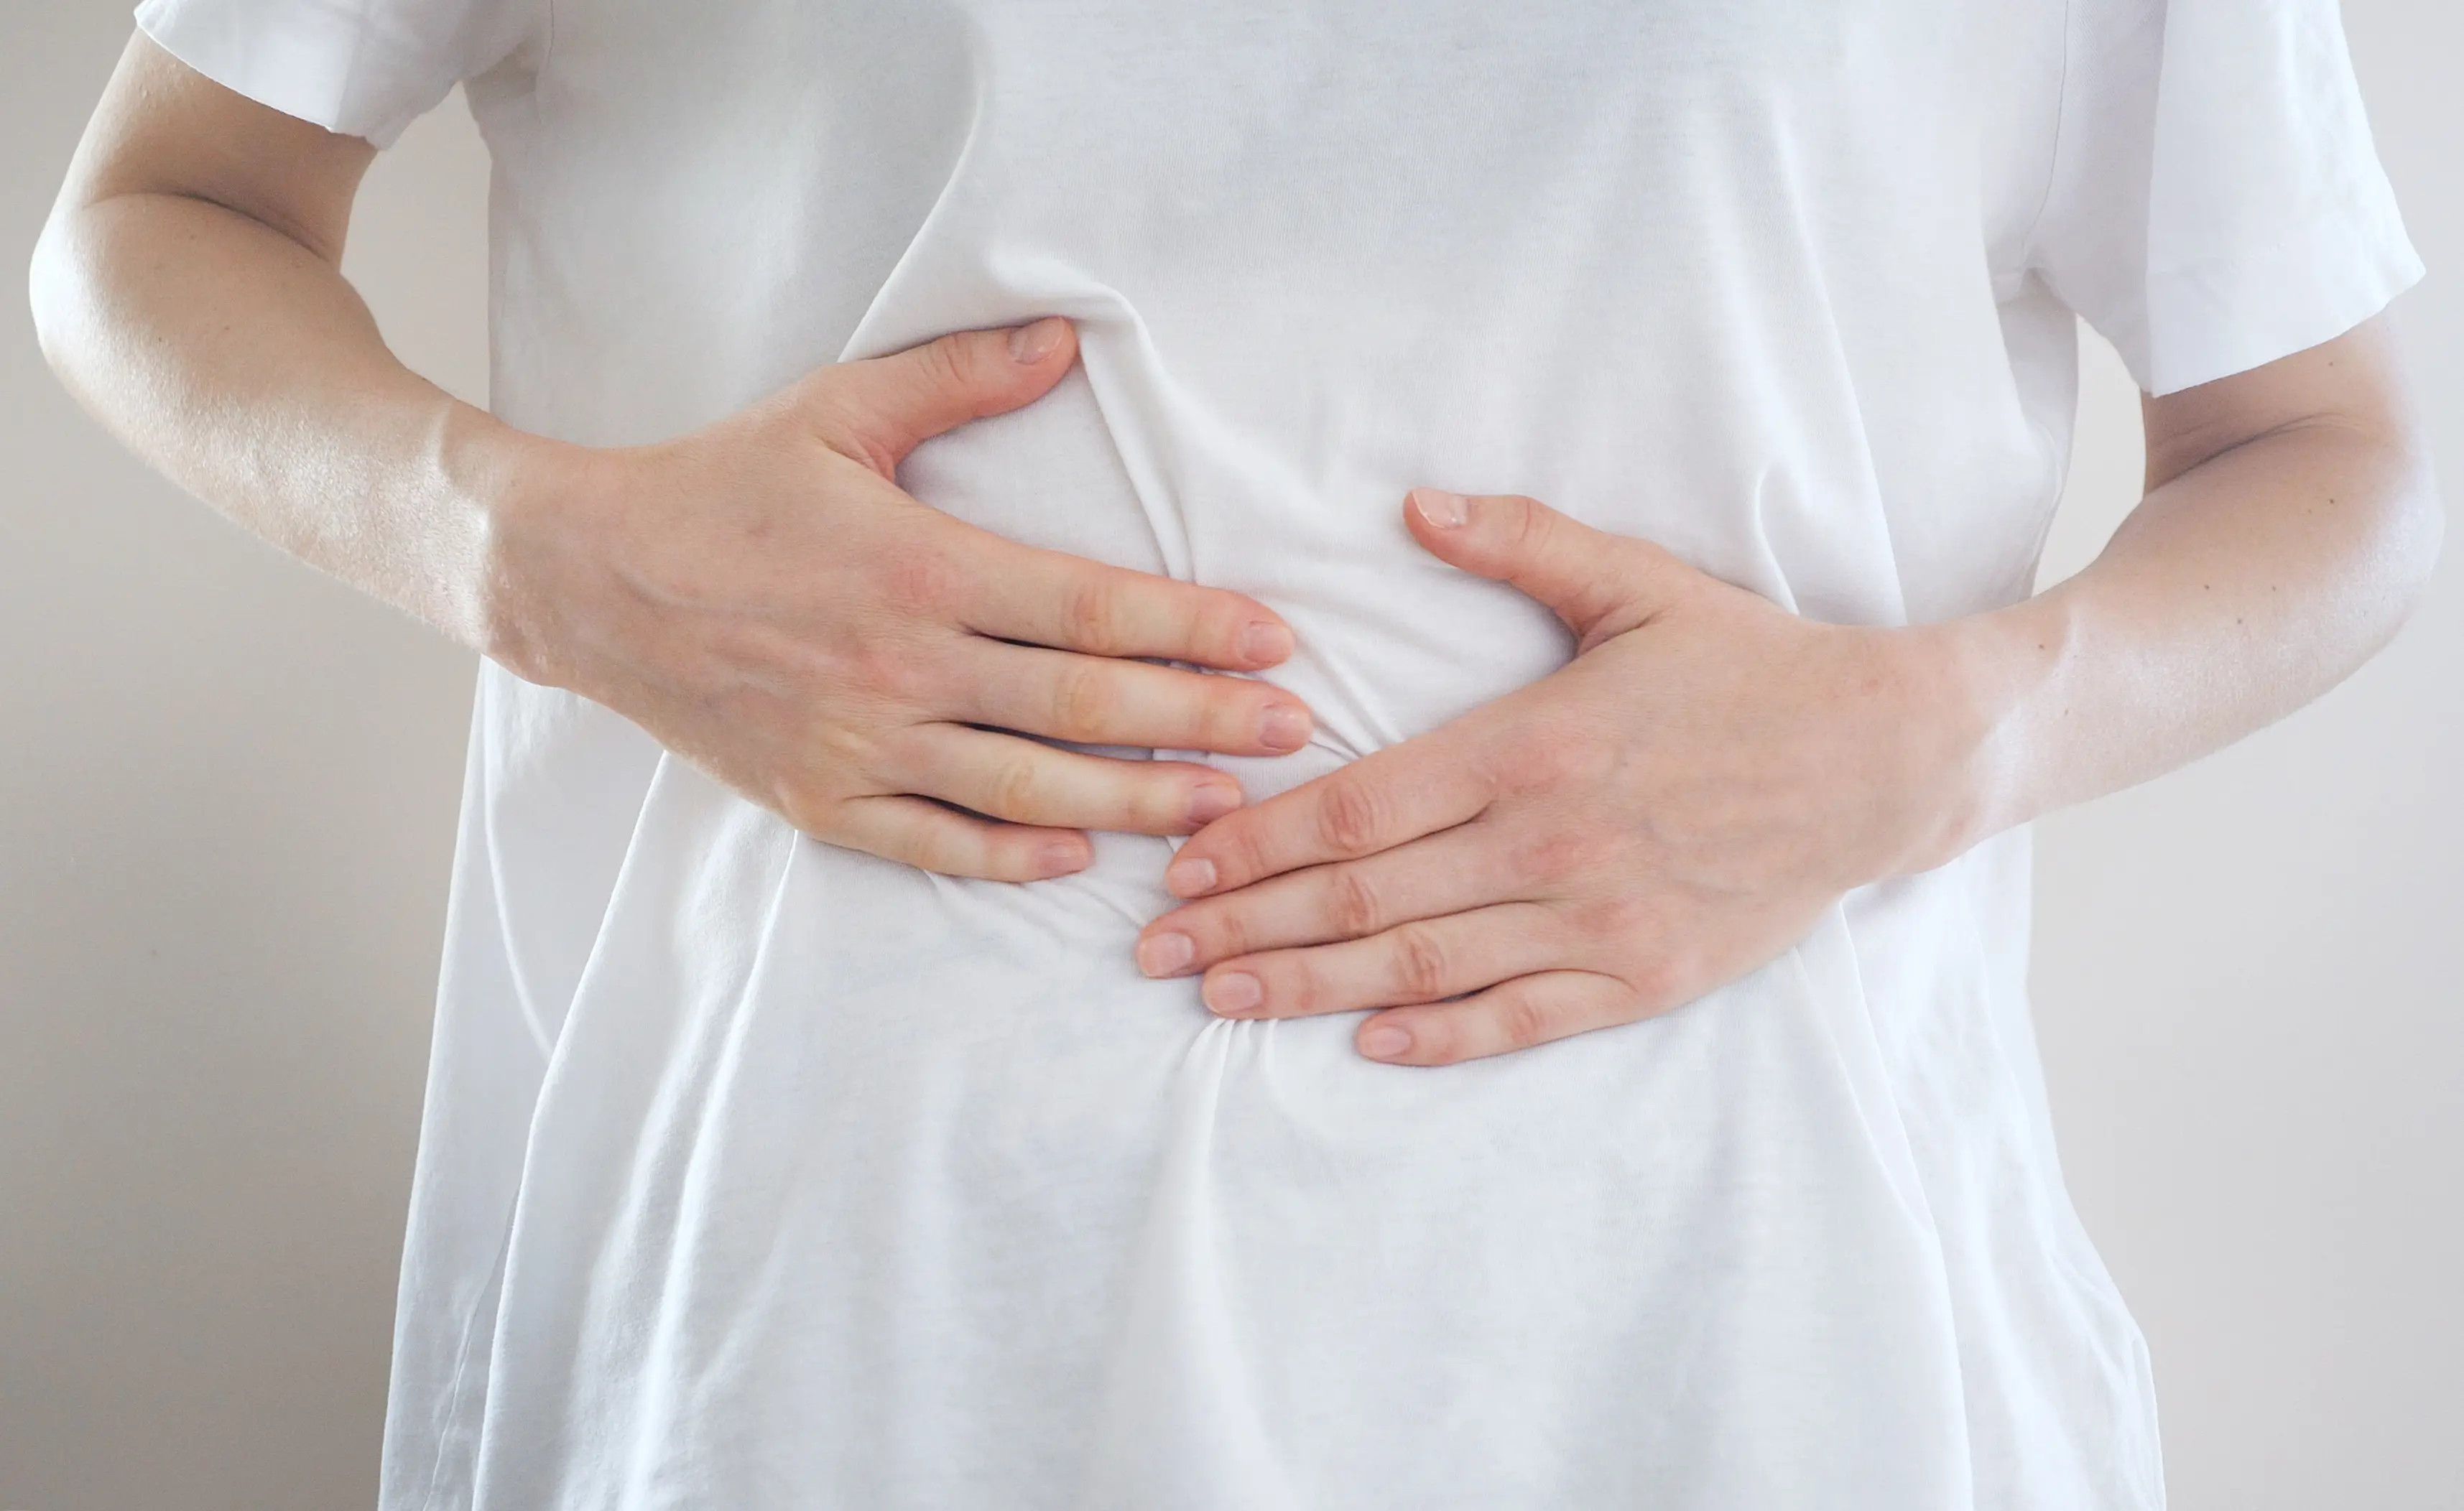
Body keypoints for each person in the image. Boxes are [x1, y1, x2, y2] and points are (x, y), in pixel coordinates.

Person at [27, 0, 2438, 1504]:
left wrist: (1932, 737)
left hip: (1745, 1327)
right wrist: (535, 552)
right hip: (839, 1320)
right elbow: (152, 219)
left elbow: (2331, 456)